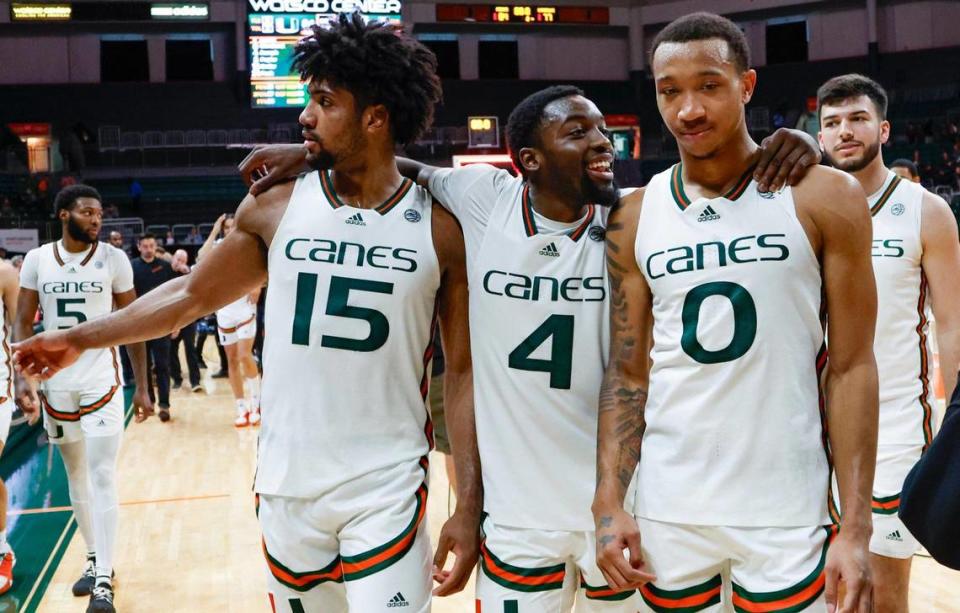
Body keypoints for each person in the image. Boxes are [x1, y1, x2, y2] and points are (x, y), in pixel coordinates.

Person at [240, 87, 820, 613]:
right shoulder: (484, 198)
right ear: (530, 161)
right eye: (578, 132)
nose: (601, 144)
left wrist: (792, 145)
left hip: (620, 513)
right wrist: (319, 156)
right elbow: (401, 167)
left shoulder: (638, 217)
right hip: (517, 520)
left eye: (600, 131)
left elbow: (722, 193)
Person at [13, 14, 479, 612]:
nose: (306, 116)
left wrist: (467, 505)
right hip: (287, 484)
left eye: (324, 101)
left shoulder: (440, 228)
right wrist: (80, 336)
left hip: (386, 484)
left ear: (375, 117)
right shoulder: (275, 206)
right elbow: (189, 297)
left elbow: (462, 375)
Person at [593, 13, 878, 613]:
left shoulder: (826, 197)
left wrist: (855, 528)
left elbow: (852, 367)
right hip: (669, 502)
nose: (688, 110)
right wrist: (609, 502)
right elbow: (627, 374)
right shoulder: (634, 216)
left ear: (747, 85)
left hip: (786, 503)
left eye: (709, 85)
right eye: (670, 91)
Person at [817, 73, 960, 613]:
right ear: (820, 135)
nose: (844, 131)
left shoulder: (926, 210)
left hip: (897, 427)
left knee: (884, 591)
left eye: (856, 119)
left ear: (883, 128)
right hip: (813, 426)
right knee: (822, 589)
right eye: (831, 122)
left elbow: (952, 322)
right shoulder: (803, 209)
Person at [14, 184, 153, 613]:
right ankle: (94, 557)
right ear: (63, 215)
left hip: (101, 380)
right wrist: (23, 380)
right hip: (57, 383)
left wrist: (143, 385)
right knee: (75, 475)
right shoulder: (38, 260)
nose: (97, 220)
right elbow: (20, 321)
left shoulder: (113, 260)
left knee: (102, 474)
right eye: (88, 213)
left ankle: (106, 579)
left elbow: (136, 323)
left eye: (99, 213)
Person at [198, 214, 262, 427]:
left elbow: (263, 269)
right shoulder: (218, 247)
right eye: (226, 227)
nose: (229, 229)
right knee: (232, 360)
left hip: (244, 307)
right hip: (224, 310)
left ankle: (256, 403)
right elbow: (200, 257)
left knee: (245, 355)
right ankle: (241, 407)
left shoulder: (248, 246)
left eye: (232, 226)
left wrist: (257, 286)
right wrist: (214, 229)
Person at [131, 233, 177, 422]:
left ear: (155, 246)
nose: (149, 249)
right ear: (139, 246)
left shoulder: (165, 267)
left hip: (162, 324)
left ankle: (164, 405)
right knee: (144, 367)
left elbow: (174, 296)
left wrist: (176, 322)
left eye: (152, 245)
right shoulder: (132, 267)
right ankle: (148, 401)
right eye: (145, 246)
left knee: (162, 365)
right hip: (140, 325)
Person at [0, 261, 18, 594]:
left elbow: (18, 332)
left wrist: (28, 384)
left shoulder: (4, 272)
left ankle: (2, 549)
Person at [168, 250, 202, 392]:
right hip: (171, 320)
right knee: (171, 350)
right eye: (178, 259)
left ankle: (195, 382)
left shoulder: (189, 273)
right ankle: (176, 379)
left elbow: (196, 289)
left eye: (183, 260)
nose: (180, 263)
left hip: (187, 319)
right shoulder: (166, 272)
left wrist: (187, 272)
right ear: (173, 258)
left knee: (190, 350)